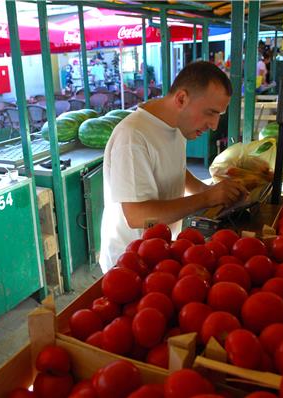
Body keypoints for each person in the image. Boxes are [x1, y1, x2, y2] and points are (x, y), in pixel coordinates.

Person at [99, 61, 247, 272]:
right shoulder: (133, 136)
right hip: (130, 262)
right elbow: (137, 215)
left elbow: (173, 166)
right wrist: (206, 198)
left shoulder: (176, 126)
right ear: (182, 98)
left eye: (218, 116)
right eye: (210, 113)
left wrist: (206, 189)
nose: (214, 125)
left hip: (161, 251)